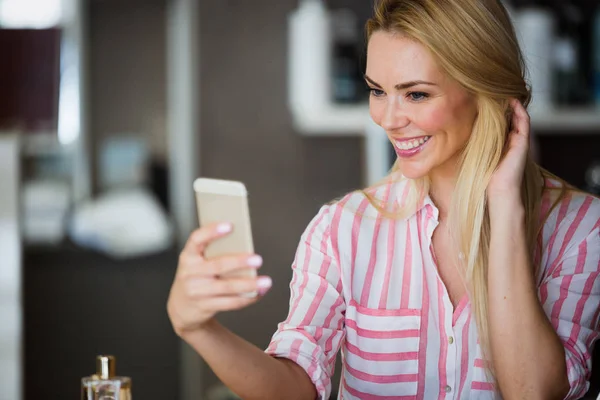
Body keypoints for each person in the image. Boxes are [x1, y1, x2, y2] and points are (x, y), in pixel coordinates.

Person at [166, 0, 600, 398]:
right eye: (377, 90)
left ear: (485, 92)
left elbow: (534, 392)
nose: (388, 119)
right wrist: (199, 328)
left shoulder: (581, 228)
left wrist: (505, 208)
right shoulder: (341, 229)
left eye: (416, 94)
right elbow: (294, 386)